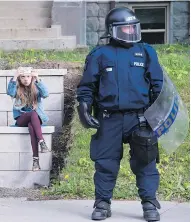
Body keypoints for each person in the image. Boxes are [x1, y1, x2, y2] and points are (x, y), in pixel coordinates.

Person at [77, 7, 163, 222]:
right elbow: (87, 86)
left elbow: (158, 85)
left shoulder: (145, 51)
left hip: (140, 118)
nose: (130, 31)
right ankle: (102, 203)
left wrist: (158, 114)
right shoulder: (99, 54)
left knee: (146, 162)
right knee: (105, 162)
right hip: (109, 118)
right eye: (125, 28)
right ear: (113, 30)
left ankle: (150, 202)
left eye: (133, 27)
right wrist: (84, 106)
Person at [7, 67, 49, 171]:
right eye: (23, 77)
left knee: (32, 126)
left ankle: (36, 161)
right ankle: (42, 141)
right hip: (22, 118)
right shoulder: (17, 89)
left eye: (28, 76)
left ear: (32, 77)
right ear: (20, 79)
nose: (26, 79)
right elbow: (10, 93)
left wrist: (38, 79)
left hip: (35, 119)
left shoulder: (36, 87)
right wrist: (15, 77)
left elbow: (45, 94)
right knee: (32, 114)